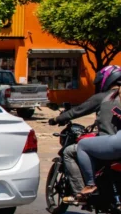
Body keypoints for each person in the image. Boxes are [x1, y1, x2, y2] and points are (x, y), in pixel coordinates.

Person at [48, 65, 121, 202]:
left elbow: (78, 110)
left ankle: (86, 188)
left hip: (114, 144)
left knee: (73, 149)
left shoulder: (104, 97)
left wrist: (57, 119)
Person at [73, 66, 121, 198]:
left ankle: (90, 184)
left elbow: (77, 110)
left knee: (82, 145)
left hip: (117, 142)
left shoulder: (107, 96)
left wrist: (55, 119)